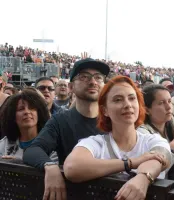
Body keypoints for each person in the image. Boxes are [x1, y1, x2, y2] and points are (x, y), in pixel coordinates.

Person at [64, 76, 171, 200]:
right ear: (105, 110)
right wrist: (130, 163)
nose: (127, 105)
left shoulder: (153, 140)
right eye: (118, 100)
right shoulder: (95, 143)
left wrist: (143, 178)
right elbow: (72, 168)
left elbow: (160, 158)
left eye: (132, 98)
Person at [23, 58, 110, 200]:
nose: (93, 82)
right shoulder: (60, 121)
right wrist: (50, 166)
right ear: (71, 87)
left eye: (98, 77)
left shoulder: (115, 120)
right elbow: (33, 150)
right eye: (84, 77)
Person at [137, 84, 174, 185]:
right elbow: (149, 174)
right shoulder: (142, 134)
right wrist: (171, 149)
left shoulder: (170, 129)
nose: (168, 107)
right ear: (147, 110)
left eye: (170, 101)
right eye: (161, 103)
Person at [0, 90, 53, 159]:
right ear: (12, 116)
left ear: (39, 113)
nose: (27, 112)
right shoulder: (4, 144)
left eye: (32, 108)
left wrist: (18, 164)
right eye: (21, 109)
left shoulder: (51, 143)